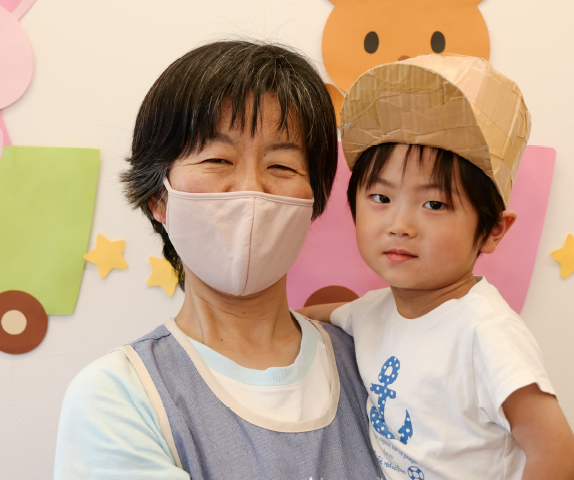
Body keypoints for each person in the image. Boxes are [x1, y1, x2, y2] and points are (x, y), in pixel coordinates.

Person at [54, 41, 383, 480]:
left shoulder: (377, 363)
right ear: (158, 199)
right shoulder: (120, 395)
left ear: (312, 201)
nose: (251, 189)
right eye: (217, 159)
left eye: (282, 166)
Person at [299, 55, 574, 479]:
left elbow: (559, 454)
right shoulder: (369, 311)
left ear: (493, 230)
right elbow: (303, 318)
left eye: (434, 204)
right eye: (381, 198)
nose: (400, 225)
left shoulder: (485, 332)